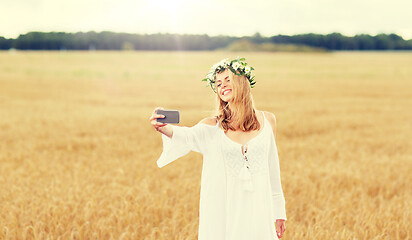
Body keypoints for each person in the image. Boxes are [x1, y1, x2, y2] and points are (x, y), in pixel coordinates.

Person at [150, 57, 287, 240]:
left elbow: (273, 169)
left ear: (242, 82)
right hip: (226, 210)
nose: (222, 86)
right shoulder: (212, 126)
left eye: (227, 80)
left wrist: (279, 212)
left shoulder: (268, 120)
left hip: (259, 209)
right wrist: (163, 128)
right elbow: (187, 136)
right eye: (218, 83)